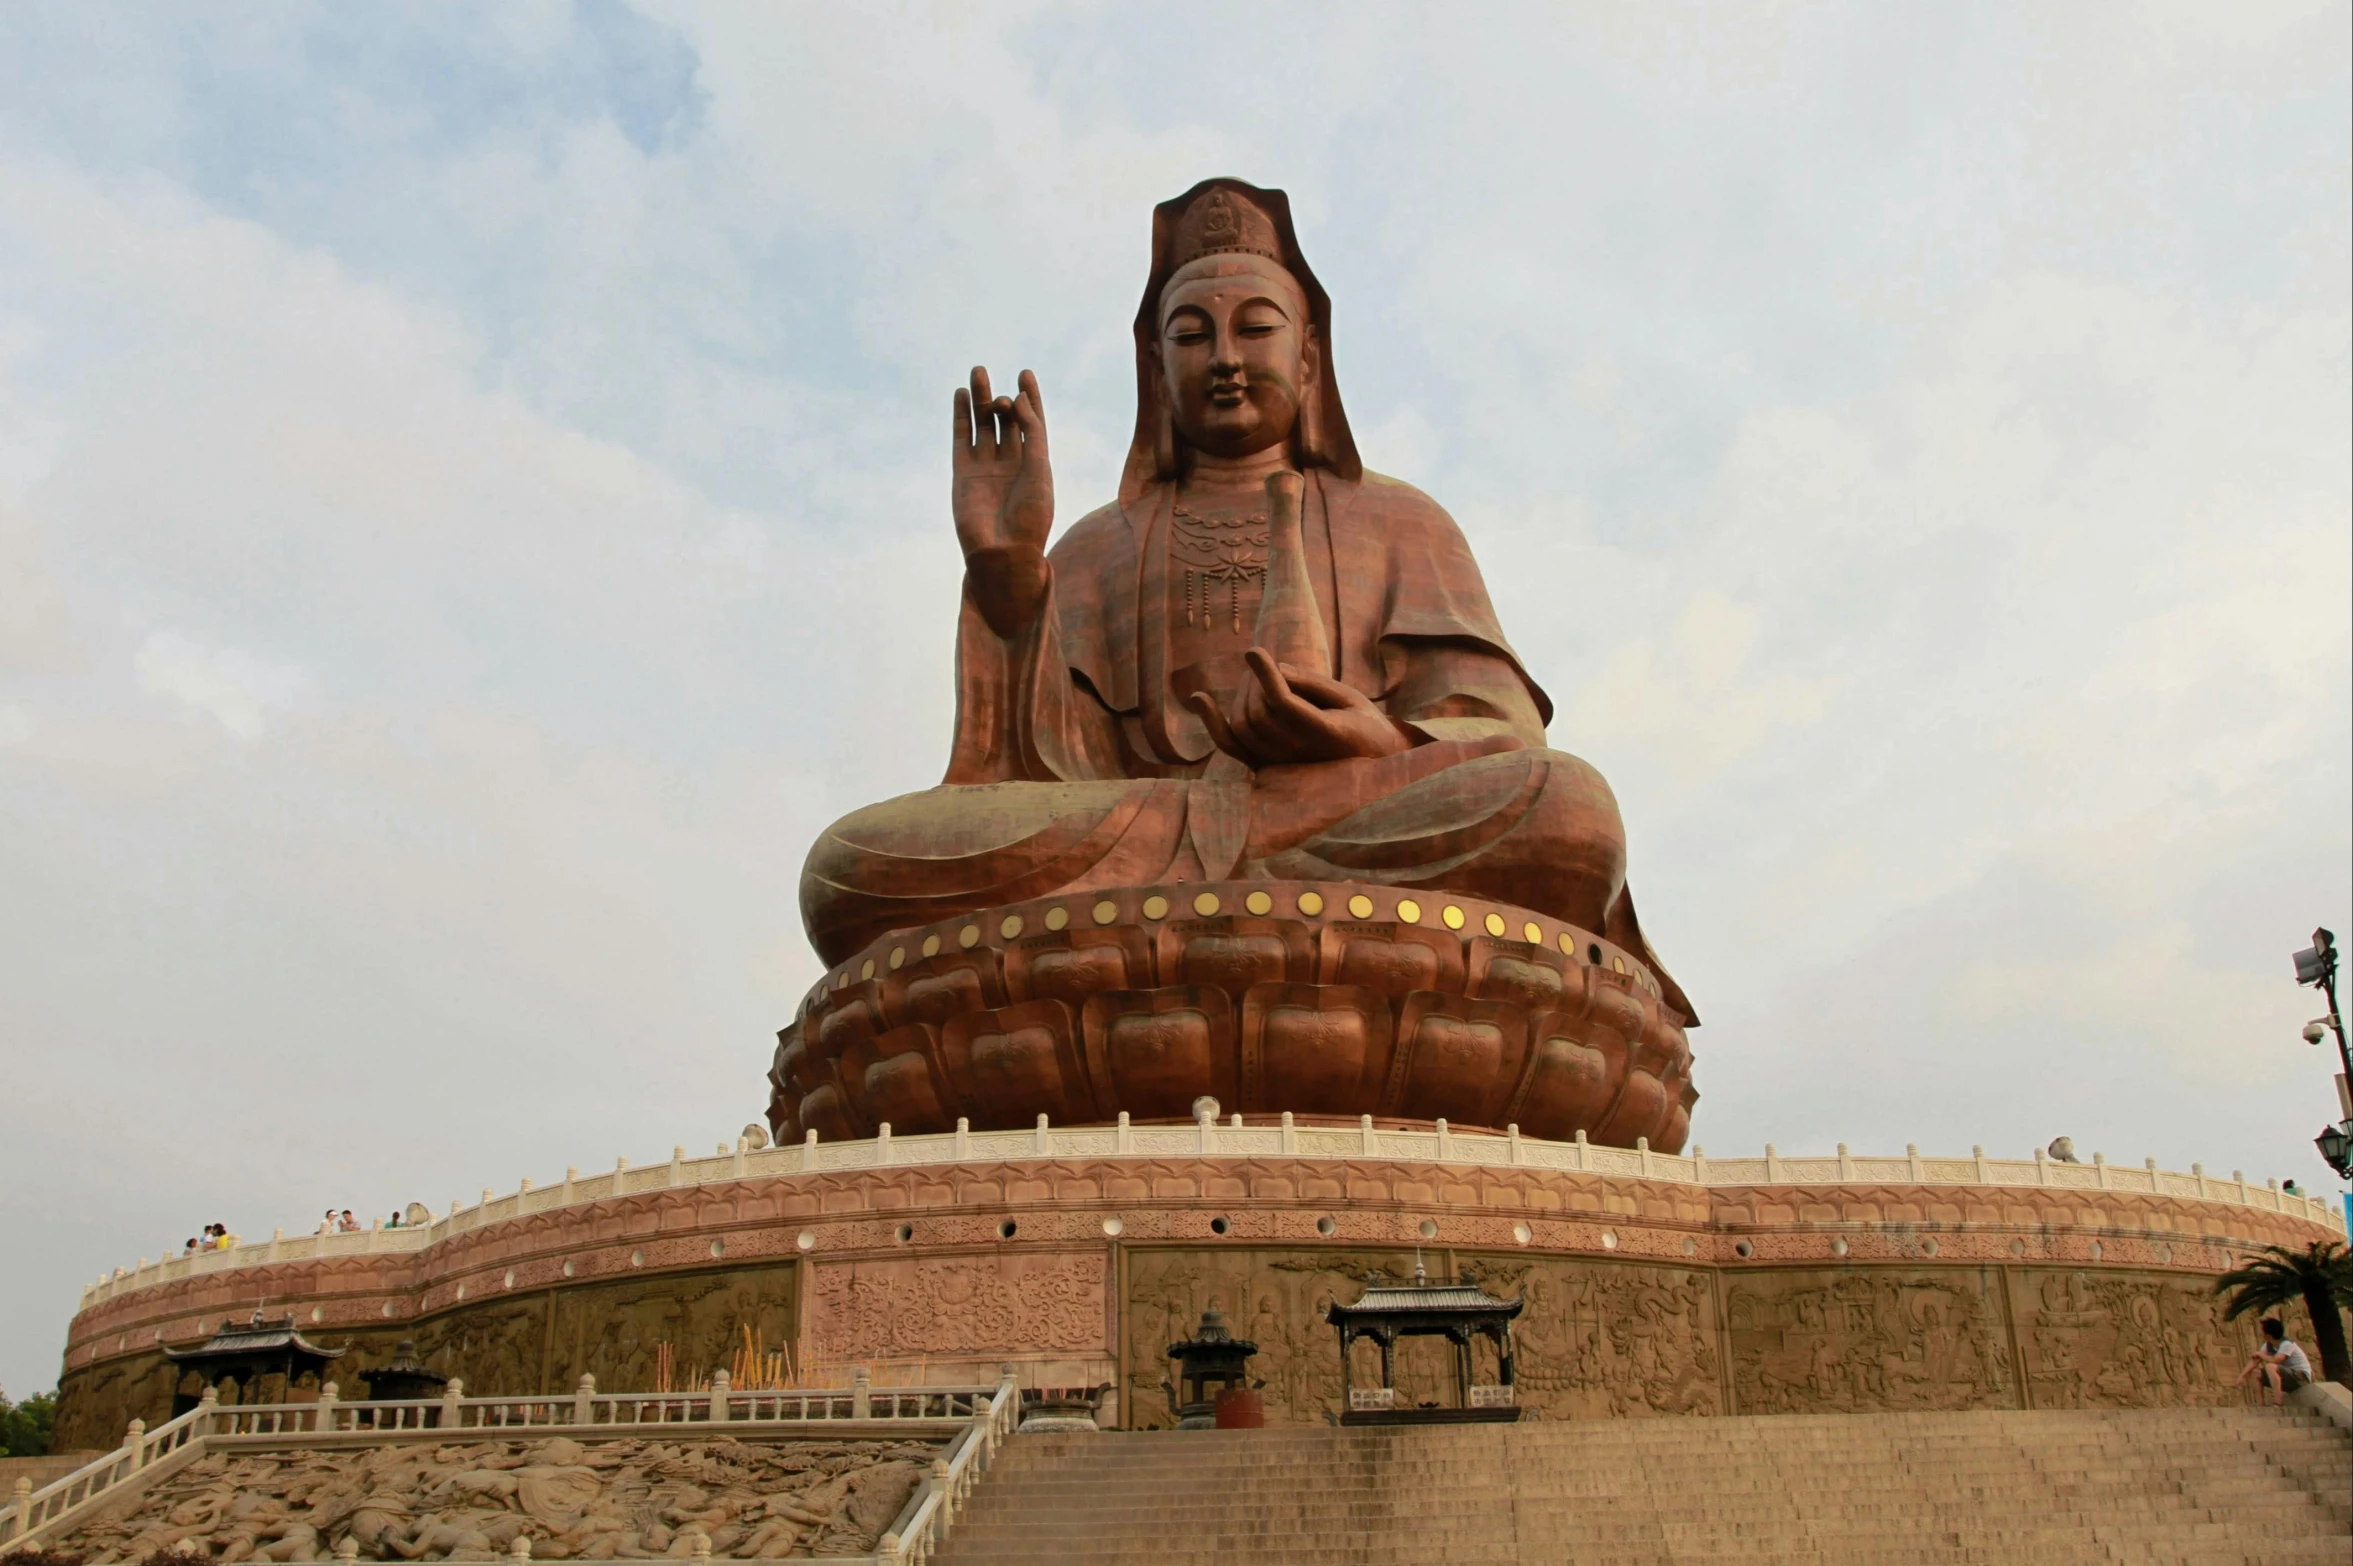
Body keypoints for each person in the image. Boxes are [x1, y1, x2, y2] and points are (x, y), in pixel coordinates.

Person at [2235, 1317, 2313, 1405]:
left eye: (2262, 1331)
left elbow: (2276, 1360)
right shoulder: (2268, 1345)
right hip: (2287, 1377)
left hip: (2300, 1377)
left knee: (2270, 1366)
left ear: (2268, 1335)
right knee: (2255, 1373)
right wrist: (2242, 1376)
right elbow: (2254, 1361)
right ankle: (2260, 1404)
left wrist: (2261, 1355)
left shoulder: (2287, 1344)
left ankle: (2277, 1400)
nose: (2261, 1333)